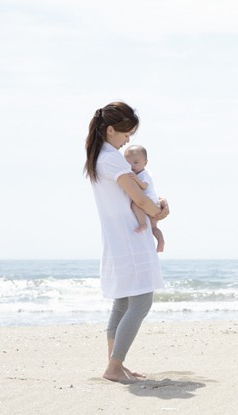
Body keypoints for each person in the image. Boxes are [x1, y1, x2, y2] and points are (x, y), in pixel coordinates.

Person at [84, 101, 170, 384]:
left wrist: (153, 212)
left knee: (122, 303)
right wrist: (160, 212)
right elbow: (138, 197)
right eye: (125, 135)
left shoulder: (101, 156)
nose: (127, 141)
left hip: (120, 240)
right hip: (131, 241)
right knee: (141, 303)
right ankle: (114, 366)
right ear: (111, 130)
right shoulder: (112, 159)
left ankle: (115, 365)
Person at [124, 145, 165, 252]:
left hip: (151, 201)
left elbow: (144, 186)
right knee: (154, 227)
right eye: (128, 163)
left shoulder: (144, 174)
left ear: (145, 163)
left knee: (134, 204)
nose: (132, 166)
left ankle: (143, 224)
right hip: (150, 202)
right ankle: (161, 242)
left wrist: (136, 179)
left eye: (136, 162)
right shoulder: (137, 174)